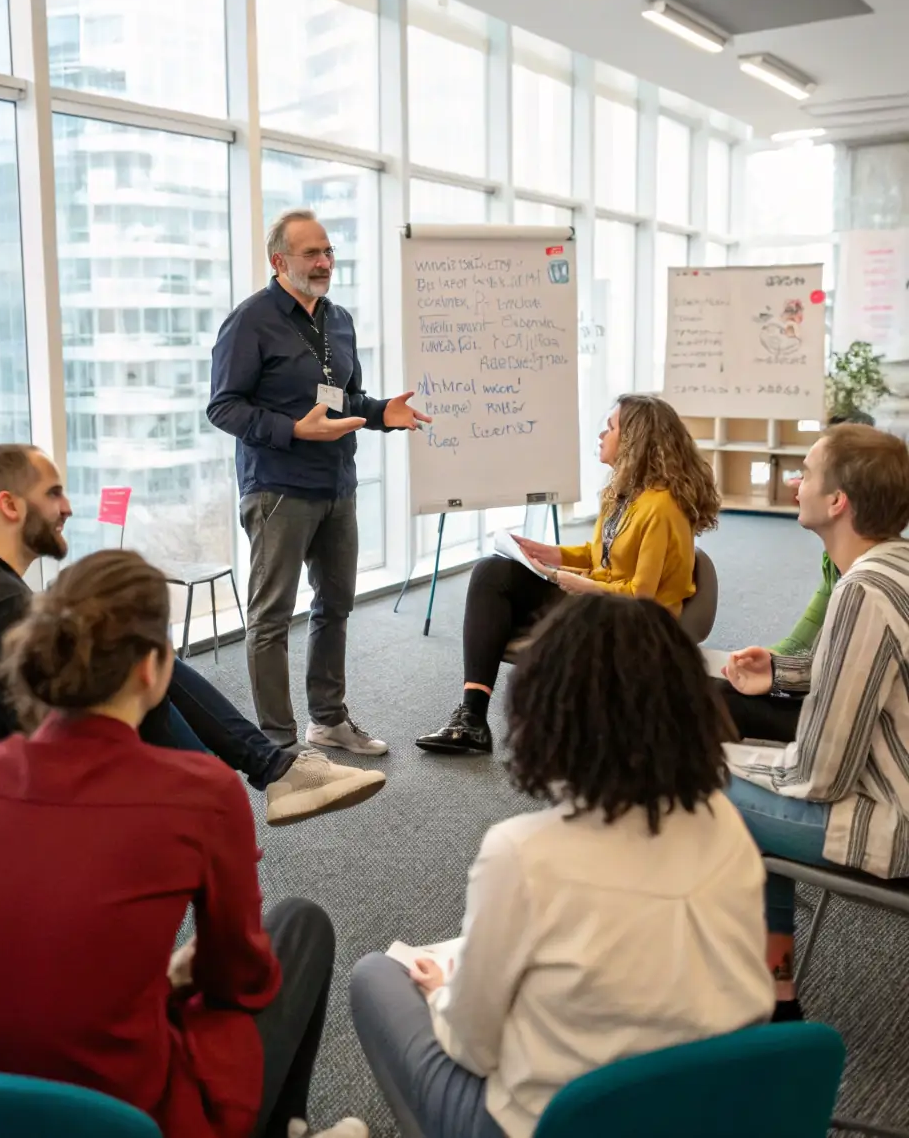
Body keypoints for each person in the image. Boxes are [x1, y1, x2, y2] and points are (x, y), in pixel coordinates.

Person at [0, 549, 367, 1138]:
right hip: (128, 1119)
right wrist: (179, 979)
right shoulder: (200, 793)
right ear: (154, 668)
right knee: (302, 926)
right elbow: (242, 980)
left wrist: (158, 980)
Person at [352, 595, 774, 1138]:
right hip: (707, 1113)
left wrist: (442, 996)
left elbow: (474, 1047)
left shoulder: (523, 853)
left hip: (553, 1122)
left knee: (375, 977)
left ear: (547, 713)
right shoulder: (725, 820)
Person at [0, 444, 384, 834]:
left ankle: (256, 779)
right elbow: (59, 721)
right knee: (133, 676)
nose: (67, 507)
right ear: (9, 505)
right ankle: (227, 794)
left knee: (141, 658)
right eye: (54, 493)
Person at [208, 208, 429, 755]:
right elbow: (223, 407)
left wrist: (381, 413)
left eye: (329, 251)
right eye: (312, 253)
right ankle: (278, 745)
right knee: (271, 618)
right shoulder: (249, 321)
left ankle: (328, 720)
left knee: (335, 605)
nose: (326, 262)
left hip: (338, 486)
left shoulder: (339, 320)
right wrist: (292, 430)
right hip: (278, 488)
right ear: (279, 261)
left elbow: (344, 400)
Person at [725, 423, 909, 1021]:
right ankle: (775, 990)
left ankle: (761, 993)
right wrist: (782, 671)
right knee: (744, 770)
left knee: (690, 780)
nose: (795, 481)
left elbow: (818, 775)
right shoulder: (897, 566)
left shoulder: (862, 592)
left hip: (892, 826)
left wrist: (715, 758)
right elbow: (879, 667)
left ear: (838, 502)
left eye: (806, 471)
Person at [417, 394, 721, 754]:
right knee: (492, 571)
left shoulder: (661, 508)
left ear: (634, 440)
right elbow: (601, 556)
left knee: (503, 588)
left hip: (638, 621)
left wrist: (580, 584)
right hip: (598, 599)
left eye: (610, 428)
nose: (601, 435)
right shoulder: (622, 493)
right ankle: (471, 718)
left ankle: (563, 726)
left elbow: (643, 597)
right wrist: (548, 553)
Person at [716, 549, 839, 743]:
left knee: (721, 703)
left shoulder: (865, 583)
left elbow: (845, 683)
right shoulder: (836, 562)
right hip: (827, 690)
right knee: (715, 693)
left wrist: (780, 677)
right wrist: (767, 666)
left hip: (848, 719)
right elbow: (799, 645)